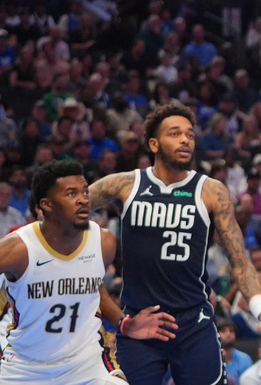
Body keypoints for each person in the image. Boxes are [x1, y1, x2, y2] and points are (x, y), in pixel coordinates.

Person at [89, 102, 261, 384]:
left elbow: (240, 261)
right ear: (154, 143)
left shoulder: (212, 191)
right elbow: (66, 207)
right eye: (175, 133)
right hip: (140, 320)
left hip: (193, 323)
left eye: (190, 135)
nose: (185, 140)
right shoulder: (126, 184)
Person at [0, 161, 176, 383]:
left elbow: (94, 287)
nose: (84, 199)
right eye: (71, 194)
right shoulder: (17, 249)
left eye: (85, 191)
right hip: (25, 367)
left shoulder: (103, 242)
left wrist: (123, 322)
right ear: (47, 204)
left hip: (86, 363)